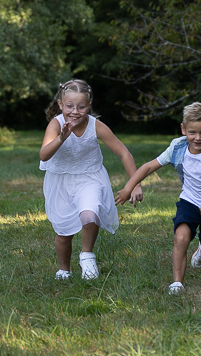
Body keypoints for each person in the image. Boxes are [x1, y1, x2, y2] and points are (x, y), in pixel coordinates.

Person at [114, 102, 201, 294]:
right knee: (181, 237)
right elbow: (149, 167)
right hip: (189, 201)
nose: (197, 138)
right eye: (192, 132)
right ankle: (177, 283)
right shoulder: (178, 147)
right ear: (183, 129)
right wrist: (129, 188)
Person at [39, 79, 143, 280]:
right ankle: (64, 270)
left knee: (90, 215)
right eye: (69, 106)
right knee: (63, 233)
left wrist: (136, 184)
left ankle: (87, 256)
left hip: (90, 178)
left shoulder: (96, 126)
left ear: (89, 106)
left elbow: (124, 153)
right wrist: (61, 138)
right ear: (60, 104)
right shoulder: (56, 124)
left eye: (81, 107)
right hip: (60, 182)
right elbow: (44, 155)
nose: (75, 112)